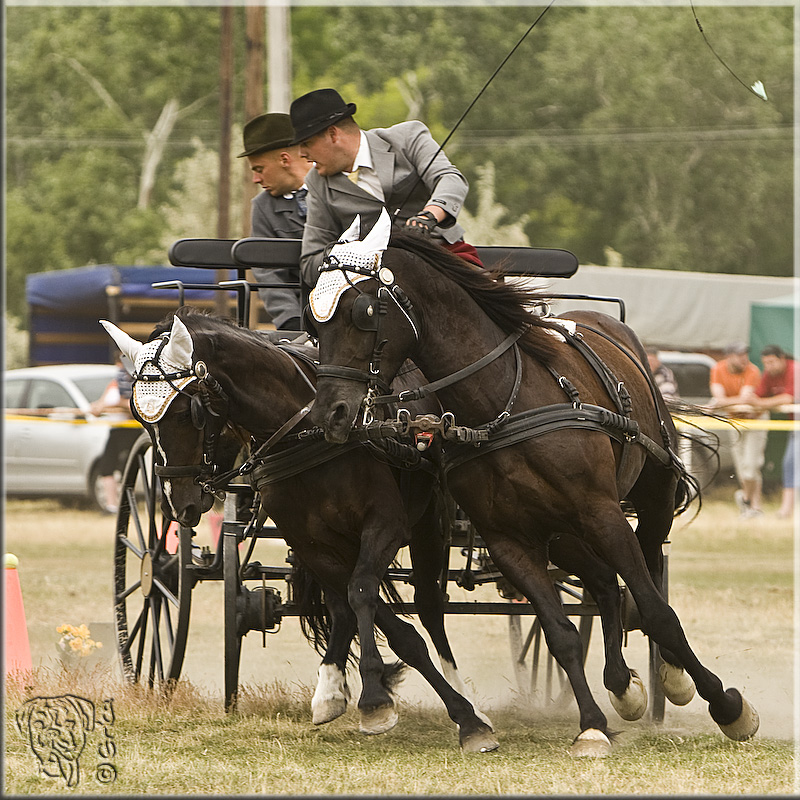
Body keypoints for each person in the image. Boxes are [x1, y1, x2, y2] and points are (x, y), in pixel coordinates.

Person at [288, 88, 482, 287]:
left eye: (306, 143)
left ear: (333, 134)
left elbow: (450, 179)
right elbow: (311, 263)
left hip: (444, 257)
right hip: (377, 282)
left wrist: (427, 217)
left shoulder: (408, 137)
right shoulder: (317, 183)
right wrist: (350, 251)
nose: (302, 153)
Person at [237, 112, 311, 331]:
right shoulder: (264, 207)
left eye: (259, 169)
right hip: (304, 318)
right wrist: (292, 322)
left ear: (285, 160)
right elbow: (268, 273)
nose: (256, 179)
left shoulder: (338, 188)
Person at [708, 342, 768, 518]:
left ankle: (746, 498)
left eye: (745, 354)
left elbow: (742, 400)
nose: (744, 358)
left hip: (755, 420)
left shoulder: (752, 370)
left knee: (752, 465)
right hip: (735, 421)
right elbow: (721, 397)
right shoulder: (718, 369)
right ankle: (753, 507)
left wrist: (723, 402)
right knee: (742, 467)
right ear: (729, 356)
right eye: (739, 355)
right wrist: (726, 401)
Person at [747, 345, 797, 519]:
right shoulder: (769, 375)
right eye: (765, 363)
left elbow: (787, 398)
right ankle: (786, 510)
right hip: (795, 427)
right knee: (790, 465)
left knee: (791, 464)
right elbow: (759, 396)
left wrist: (760, 405)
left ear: (782, 358)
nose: (768, 366)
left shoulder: (795, 369)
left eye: (771, 362)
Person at [90, 353, 140, 513]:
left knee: (128, 470)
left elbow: (135, 408)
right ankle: (111, 506)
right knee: (107, 467)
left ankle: (128, 506)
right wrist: (97, 408)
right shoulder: (114, 383)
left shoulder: (135, 383)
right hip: (115, 430)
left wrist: (122, 404)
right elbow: (101, 404)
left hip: (131, 431)